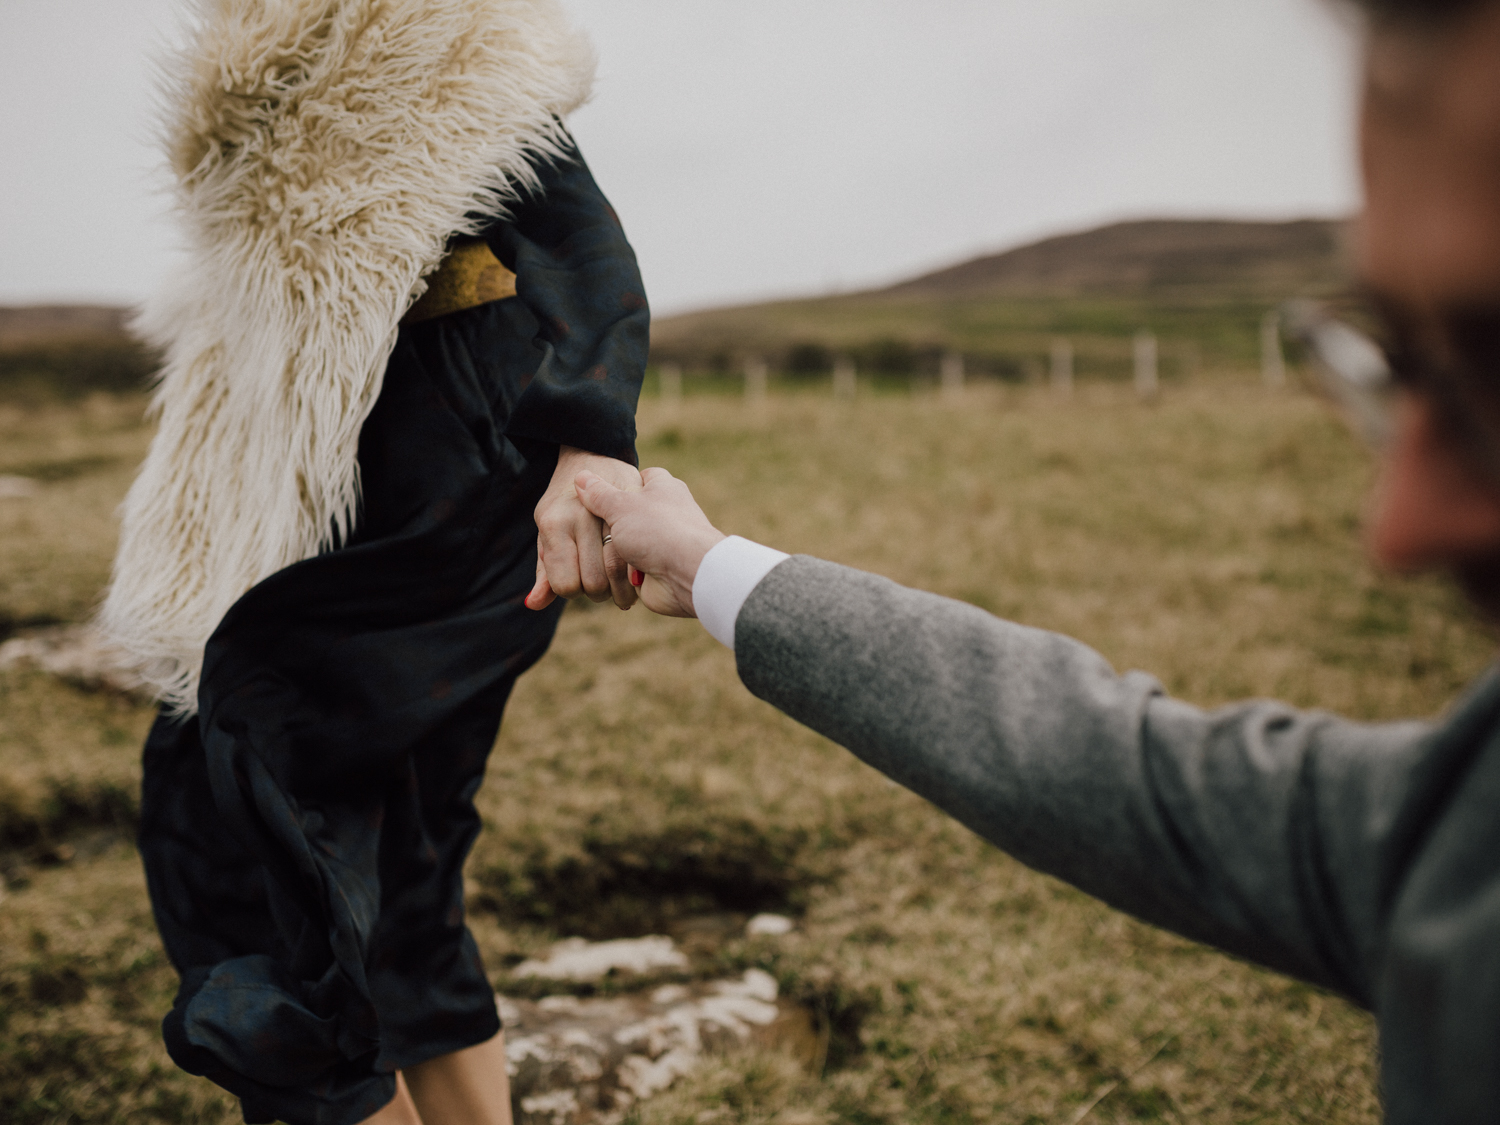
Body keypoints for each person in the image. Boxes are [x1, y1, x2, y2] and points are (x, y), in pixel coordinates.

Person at [563, 1, 1500, 1120]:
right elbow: (1110, 763)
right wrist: (716, 567)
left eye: (1491, 375)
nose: (1396, 527)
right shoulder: (1458, 822)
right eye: (1399, 364)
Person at [104, 2, 646, 1123]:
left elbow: (583, 251)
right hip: (331, 497)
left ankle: (334, 1090)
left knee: (239, 798)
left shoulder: (438, 47)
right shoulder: (251, 101)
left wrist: (589, 446)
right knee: (398, 869)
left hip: (446, 501)